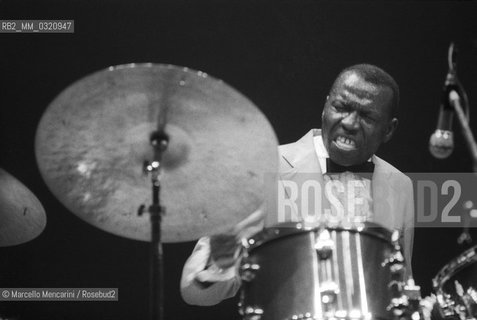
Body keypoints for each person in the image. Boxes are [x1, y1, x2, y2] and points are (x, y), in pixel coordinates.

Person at [180, 63, 415, 306]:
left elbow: (400, 284)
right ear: (326, 106)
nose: (349, 123)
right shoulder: (265, 167)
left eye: (366, 116)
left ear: (389, 130)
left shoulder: (400, 185)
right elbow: (193, 291)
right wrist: (221, 263)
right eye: (341, 107)